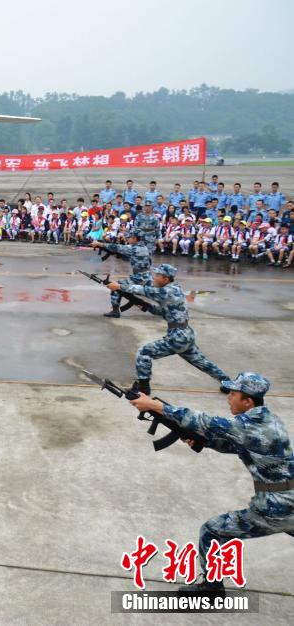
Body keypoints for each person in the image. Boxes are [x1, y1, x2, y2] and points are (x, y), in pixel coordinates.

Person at [130, 373, 294, 598]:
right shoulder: (268, 419)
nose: (228, 397)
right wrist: (203, 443)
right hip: (289, 499)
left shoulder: (247, 425)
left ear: (248, 401)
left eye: (234, 394)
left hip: (277, 508)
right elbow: (237, 445)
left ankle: (211, 588)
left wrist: (155, 406)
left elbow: (203, 421)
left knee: (211, 531)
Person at [108, 264, 229, 394]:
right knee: (201, 362)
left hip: (177, 336)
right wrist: (146, 306)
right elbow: (165, 311)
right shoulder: (174, 289)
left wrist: (120, 286)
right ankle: (227, 382)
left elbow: (145, 290)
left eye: (157, 276)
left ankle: (143, 387)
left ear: (166, 279)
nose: (154, 278)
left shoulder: (167, 291)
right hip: (185, 334)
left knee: (144, 353)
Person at [92, 232, 151, 318]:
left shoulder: (134, 248)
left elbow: (116, 247)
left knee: (114, 286)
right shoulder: (144, 248)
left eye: (129, 237)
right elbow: (129, 257)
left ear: (135, 239)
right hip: (147, 276)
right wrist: (118, 254)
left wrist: (99, 244)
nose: (127, 239)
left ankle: (115, 311)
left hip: (139, 277)